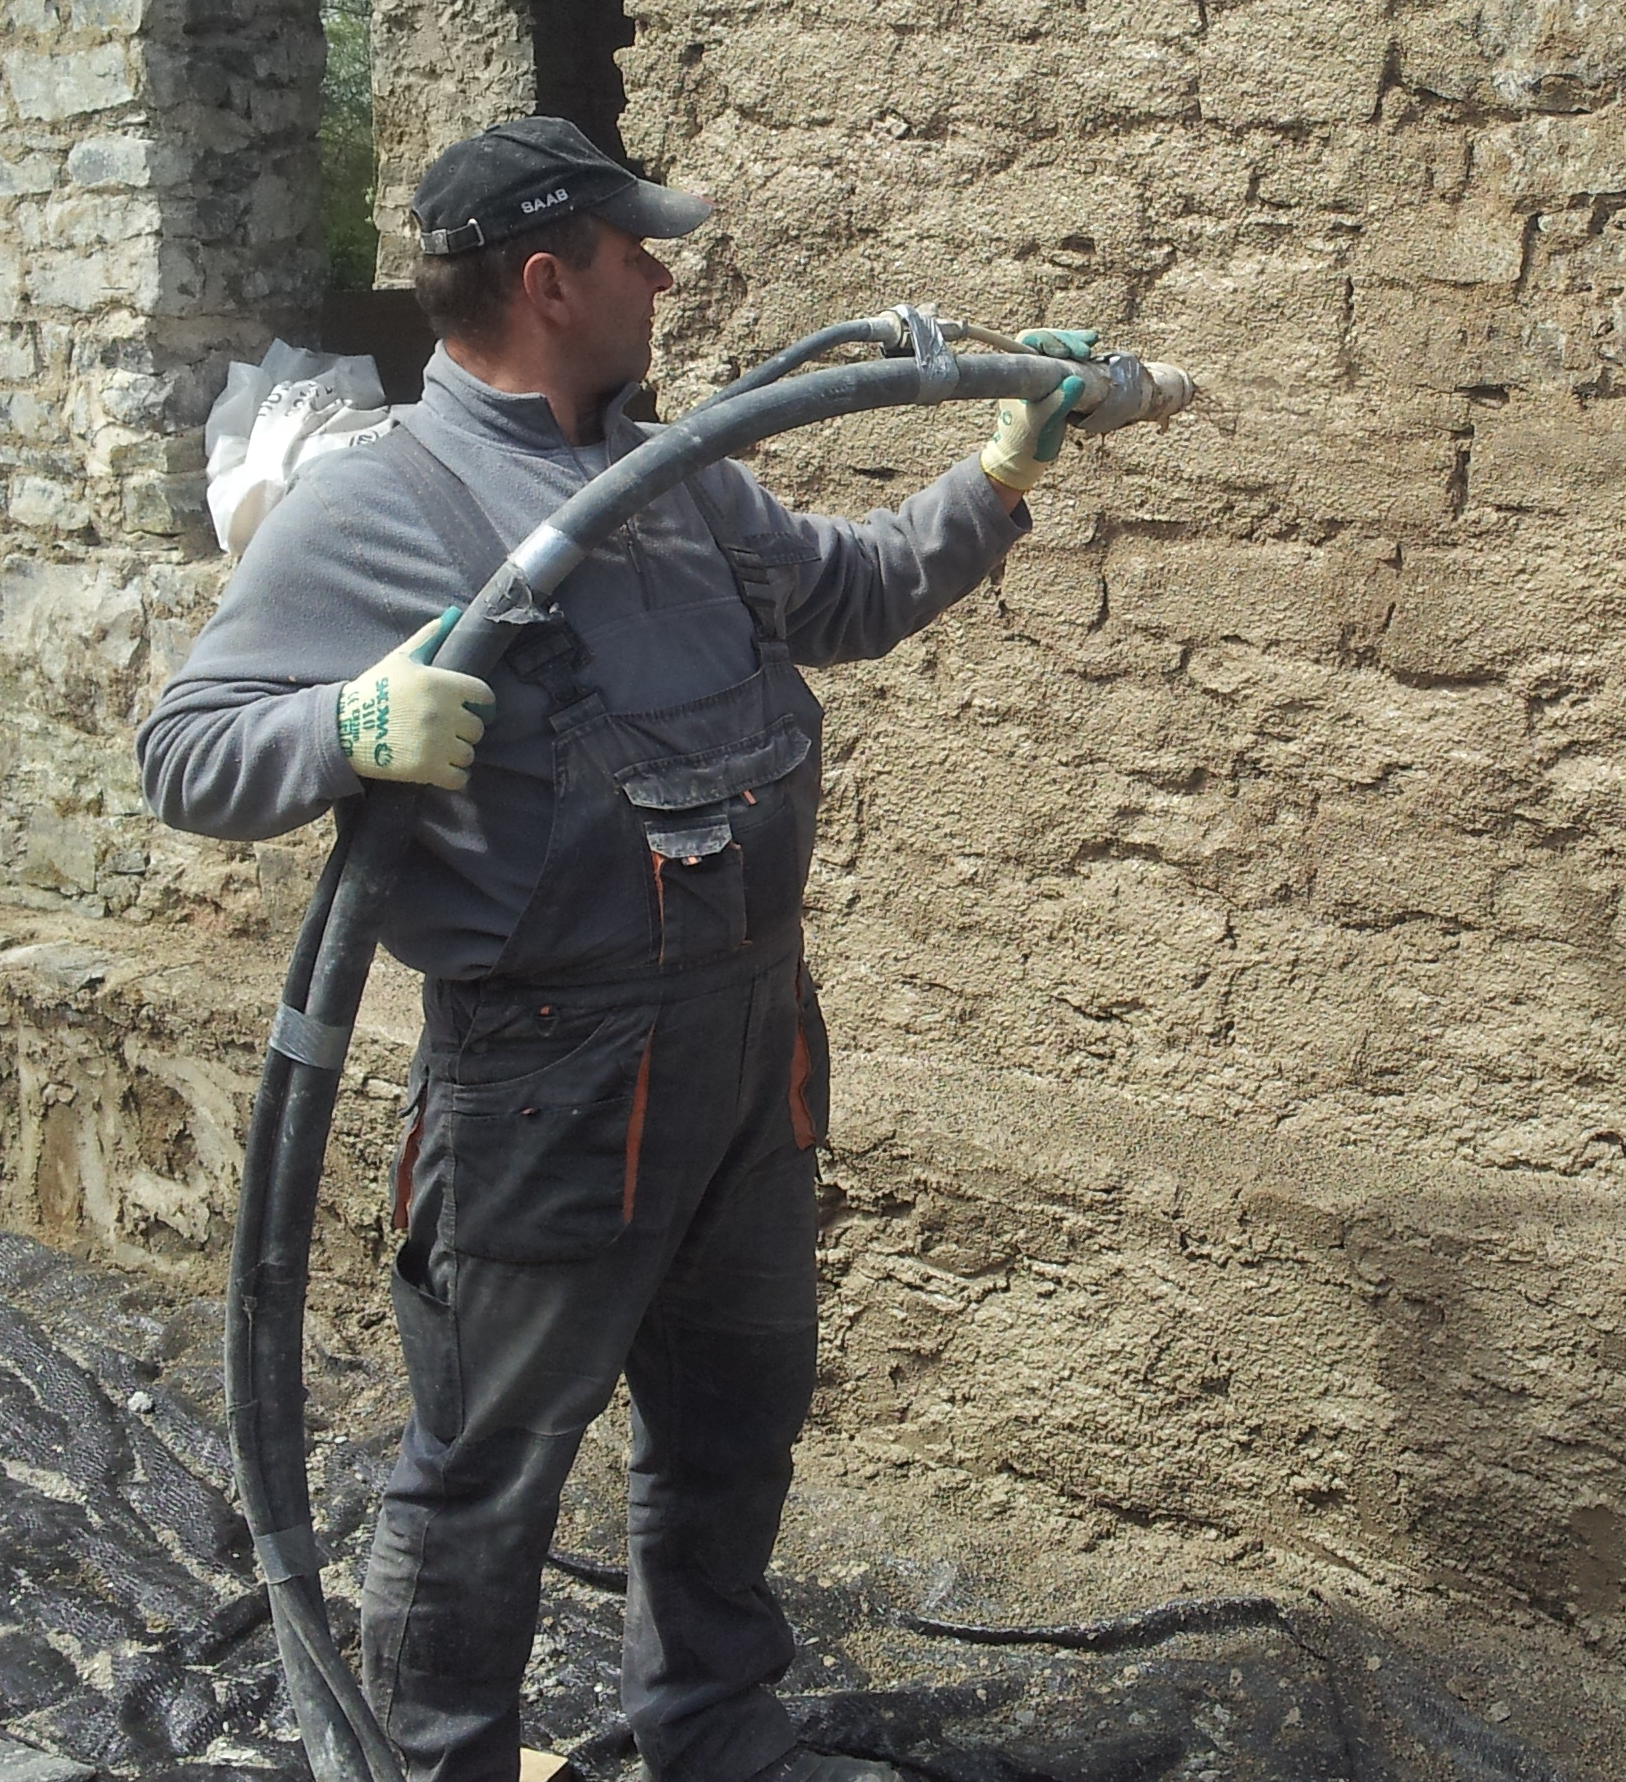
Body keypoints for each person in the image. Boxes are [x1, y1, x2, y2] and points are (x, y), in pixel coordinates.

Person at [136, 115, 1091, 1782]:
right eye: (634, 248)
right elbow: (188, 752)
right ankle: (442, 1766)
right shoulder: (382, 506)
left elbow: (851, 594)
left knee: (731, 1426)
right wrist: (344, 725)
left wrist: (997, 476)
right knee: (488, 1468)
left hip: (748, 1046)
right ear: (547, 280)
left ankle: (713, 1739)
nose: (661, 275)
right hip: (547, 1081)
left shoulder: (680, 477)